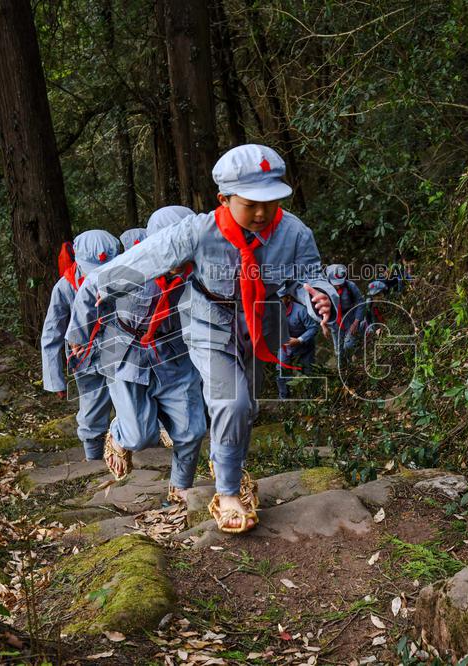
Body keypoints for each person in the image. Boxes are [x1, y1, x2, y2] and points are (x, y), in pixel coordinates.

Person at [77, 144, 337, 534]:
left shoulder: (293, 232)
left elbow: (309, 275)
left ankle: (223, 457)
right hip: (208, 325)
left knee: (246, 408)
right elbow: (149, 258)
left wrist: (319, 295)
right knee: (230, 402)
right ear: (225, 199)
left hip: (260, 326)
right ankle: (228, 491)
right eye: (252, 204)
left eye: (271, 202)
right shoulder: (199, 231)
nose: (263, 213)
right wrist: (105, 286)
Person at [67, 206, 206, 504]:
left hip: (174, 354)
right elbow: (91, 286)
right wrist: (78, 336)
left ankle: (179, 489)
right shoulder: (133, 265)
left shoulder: (202, 272)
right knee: (139, 436)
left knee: (192, 429)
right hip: (124, 350)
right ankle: (119, 435)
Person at [40, 229, 120, 460]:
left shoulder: (124, 278)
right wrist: (55, 379)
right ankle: (93, 457)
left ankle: (134, 451)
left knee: (131, 401)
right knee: (93, 406)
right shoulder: (64, 288)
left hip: (119, 350)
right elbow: (51, 333)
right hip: (85, 355)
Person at [275, 284, 319, 399]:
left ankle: (310, 398)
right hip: (285, 347)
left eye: (280, 299)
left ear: (288, 298)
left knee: (307, 372)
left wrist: (300, 340)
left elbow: (313, 328)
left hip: (304, 346)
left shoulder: (301, 311)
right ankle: (284, 398)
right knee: (280, 371)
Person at [325, 263, 364, 362]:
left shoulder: (350, 286)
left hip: (349, 320)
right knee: (338, 352)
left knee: (348, 346)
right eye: (335, 283)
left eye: (340, 282)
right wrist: (323, 325)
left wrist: (356, 322)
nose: (338, 285)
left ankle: (356, 359)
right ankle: (344, 371)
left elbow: (361, 302)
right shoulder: (325, 290)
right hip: (335, 325)